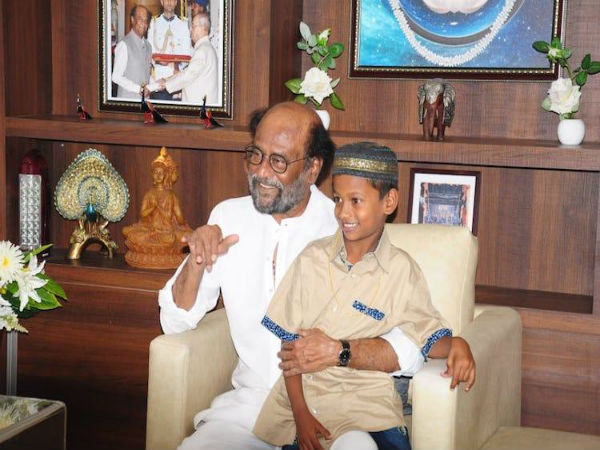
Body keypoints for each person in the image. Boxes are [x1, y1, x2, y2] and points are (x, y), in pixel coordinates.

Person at [158, 102, 445, 450]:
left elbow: (411, 346)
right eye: (255, 155)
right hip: (249, 410)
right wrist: (196, 261)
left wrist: (340, 352)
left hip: (333, 411)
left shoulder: (343, 227)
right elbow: (174, 322)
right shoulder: (228, 217)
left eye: (278, 161)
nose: (261, 172)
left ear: (312, 169)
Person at [253, 142, 476, 450]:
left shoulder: (401, 271)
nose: (343, 212)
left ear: (389, 201)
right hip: (306, 403)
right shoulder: (311, 259)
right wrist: (301, 415)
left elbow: (427, 336)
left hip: (368, 406)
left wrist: (459, 344)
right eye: (338, 199)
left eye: (355, 201)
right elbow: (290, 348)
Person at [123, 147, 193, 269]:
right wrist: (153, 207)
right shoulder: (149, 194)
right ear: (152, 175)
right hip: (151, 230)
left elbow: (180, 219)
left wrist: (180, 222)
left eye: (161, 173)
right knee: (128, 232)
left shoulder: (171, 195)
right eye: (156, 173)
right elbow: (143, 214)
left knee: (181, 237)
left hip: (167, 232)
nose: (159, 175)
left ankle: (159, 248)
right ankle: (163, 249)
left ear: (166, 175)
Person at [149, 13, 218, 104]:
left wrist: (166, 84)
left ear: (203, 28)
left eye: (193, 26)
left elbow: (188, 76)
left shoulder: (203, 50)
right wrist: (166, 80)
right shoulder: (206, 48)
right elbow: (188, 73)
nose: (190, 29)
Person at [147, 0, 193, 100]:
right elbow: (149, 52)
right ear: (162, 2)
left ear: (176, 2)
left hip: (177, 82)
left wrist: (176, 65)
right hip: (159, 81)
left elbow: (188, 54)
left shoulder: (184, 24)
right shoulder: (154, 23)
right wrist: (159, 61)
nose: (169, 2)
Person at [111, 4, 152, 99]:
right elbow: (116, 76)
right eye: (140, 19)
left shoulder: (148, 46)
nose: (143, 23)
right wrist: (138, 89)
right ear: (132, 20)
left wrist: (158, 84)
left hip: (145, 101)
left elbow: (146, 74)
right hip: (128, 101)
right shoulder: (124, 44)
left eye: (146, 20)